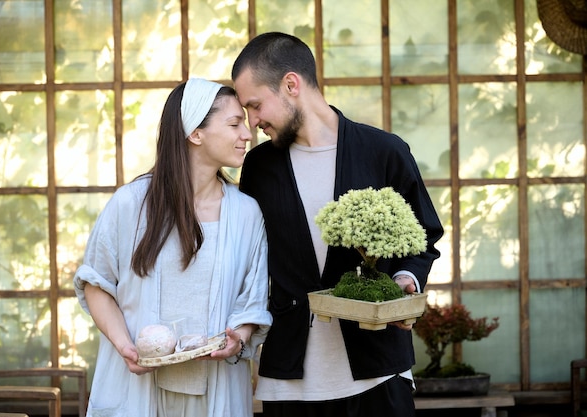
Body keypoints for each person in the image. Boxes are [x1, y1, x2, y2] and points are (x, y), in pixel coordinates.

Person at [232, 32, 444, 417]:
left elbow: (423, 236)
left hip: (378, 372)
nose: (252, 121)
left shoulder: (384, 151)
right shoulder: (259, 167)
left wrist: (404, 282)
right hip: (288, 380)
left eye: (255, 105)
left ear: (291, 85)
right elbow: (248, 256)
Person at [73, 78, 272, 417]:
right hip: (137, 389)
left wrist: (237, 338)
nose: (248, 134)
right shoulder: (131, 204)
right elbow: (97, 283)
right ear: (195, 133)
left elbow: (252, 301)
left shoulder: (246, 213)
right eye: (234, 124)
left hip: (216, 391)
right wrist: (125, 346)